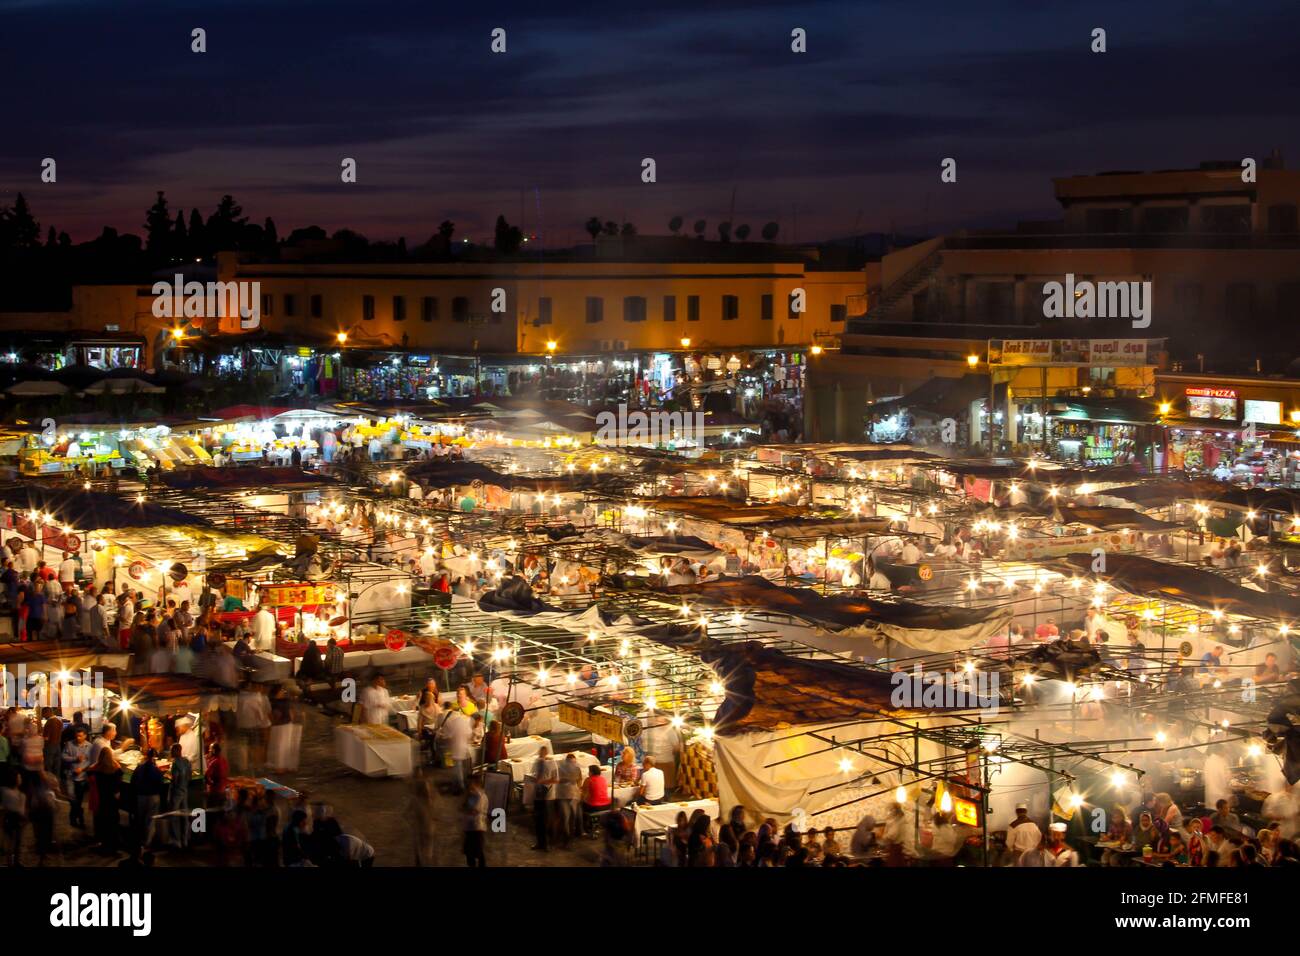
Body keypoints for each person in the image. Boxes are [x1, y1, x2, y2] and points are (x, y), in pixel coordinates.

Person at [90, 747, 123, 854]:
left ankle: (104, 846)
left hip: (102, 801)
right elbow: (120, 774)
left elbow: (89, 772)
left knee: (103, 824)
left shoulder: (97, 770)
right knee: (113, 824)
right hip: (112, 801)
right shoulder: (115, 769)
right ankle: (114, 847)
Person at [62, 726, 92, 829]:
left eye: (80, 736)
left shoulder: (89, 746)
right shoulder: (69, 744)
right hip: (70, 775)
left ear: (85, 736)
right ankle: (80, 815)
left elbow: (90, 761)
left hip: (82, 777)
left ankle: (75, 818)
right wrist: (75, 759)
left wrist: (82, 769)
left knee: (78, 799)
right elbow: (64, 757)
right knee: (72, 798)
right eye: (77, 736)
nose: (78, 738)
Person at [530, 746, 558, 851]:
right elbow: (533, 775)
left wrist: (542, 782)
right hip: (538, 795)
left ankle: (548, 844)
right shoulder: (537, 763)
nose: (542, 754)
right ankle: (539, 842)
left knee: (547, 821)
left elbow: (555, 780)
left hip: (548, 797)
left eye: (544, 752)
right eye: (540, 752)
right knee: (538, 820)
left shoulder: (551, 764)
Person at [167, 743, 191, 850]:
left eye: (172, 750)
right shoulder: (186, 761)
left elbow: (175, 779)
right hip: (184, 791)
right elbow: (189, 777)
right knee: (185, 816)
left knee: (174, 816)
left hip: (176, 792)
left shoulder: (175, 763)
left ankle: (176, 841)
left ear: (177, 751)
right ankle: (185, 839)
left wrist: (168, 776)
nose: (171, 752)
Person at [556, 753, 583, 845]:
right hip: (563, 795)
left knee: (572, 816)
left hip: (573, 796)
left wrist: (578, 789)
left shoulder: (577, 769)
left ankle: (570, 835)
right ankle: (567, 837)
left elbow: (580, 780)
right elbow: (557, 780)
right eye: (571, 762)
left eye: (574, 762)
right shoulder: (560, 769)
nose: (573, 764)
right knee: (565, 816)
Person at [462, 775, 488, 867]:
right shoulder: (471, 794)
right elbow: (464, 807)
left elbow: (474, 810)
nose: (468, 785)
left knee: (478, 852)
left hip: (477, 827)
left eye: (470, 783)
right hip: (470, 827)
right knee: (470, 853)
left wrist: (467, 810)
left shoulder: (480, 796)